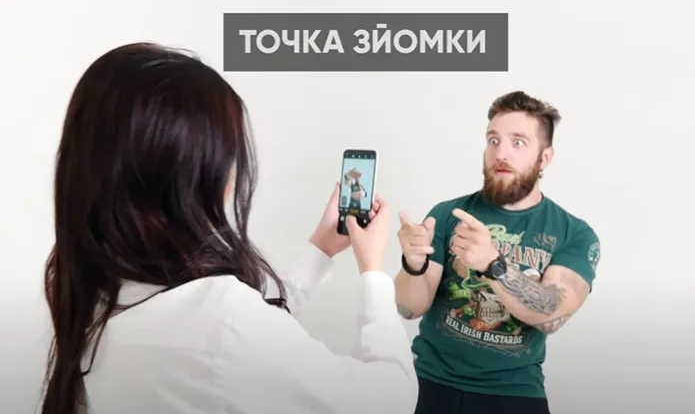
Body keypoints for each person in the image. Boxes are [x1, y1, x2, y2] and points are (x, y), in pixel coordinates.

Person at [39, 43, 417, 414]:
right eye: (227, 152)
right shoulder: (224, 324)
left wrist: (322, 248)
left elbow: (250, 320)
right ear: (192, 172)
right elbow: (387, 399)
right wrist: (373, 270)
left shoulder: (91, 286)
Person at [395, 91, 601, 414]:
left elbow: (550, 316)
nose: (501, 153)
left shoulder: (573, 234)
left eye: (518, 142)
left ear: (545, 158)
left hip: (514, 393)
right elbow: (409, 308)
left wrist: (493, 265)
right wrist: (413, 264)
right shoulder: (447, 214)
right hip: (428, 383)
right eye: (493, 140)